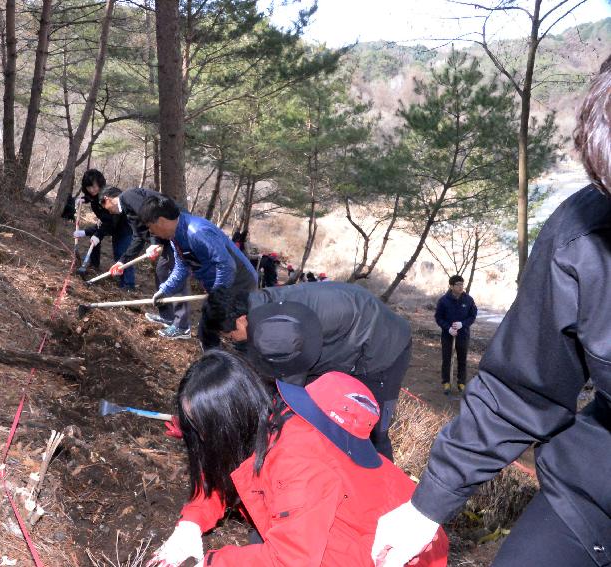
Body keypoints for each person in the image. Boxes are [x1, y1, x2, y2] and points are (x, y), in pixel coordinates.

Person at [371, 55, 611, 567]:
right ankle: (454, 384)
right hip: (599, 477)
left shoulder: (468, 299)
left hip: (463, 332)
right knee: (451, 367)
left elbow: (475, 309)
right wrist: (430, 501)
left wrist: (467, 318)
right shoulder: (582, 239)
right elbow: (522, 382)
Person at [148, 351, 448, 567]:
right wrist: (189, 525)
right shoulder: (263, 417)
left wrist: (208, 563)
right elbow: (223, 467)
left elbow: (292, 560)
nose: (199, 436)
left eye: (203, 427)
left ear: (229, 421)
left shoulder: (296, 460)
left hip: (396, 551)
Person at [203, 281, 412, 460]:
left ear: (240, 320)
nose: (229, 340)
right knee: (326, 415)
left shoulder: (276, 329)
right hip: (347, 339)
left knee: (371, 428)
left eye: (228, 335)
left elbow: (290, 387)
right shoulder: (260, 307)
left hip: (383, 345)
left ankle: (385, 492)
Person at [138, 195, 258, 349]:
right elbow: (182, 266)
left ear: (160, 221)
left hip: (239, 283)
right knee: (209, 330)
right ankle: (215, 360)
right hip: (221, 285)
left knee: (236, 330)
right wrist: (165, 290)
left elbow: (227, 266)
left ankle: (243, 362)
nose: (151, 232)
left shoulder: (197, 232)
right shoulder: (176, 236)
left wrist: (215, 297)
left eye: (150, 226)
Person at [99, 186, 191, 339]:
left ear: (107, 199)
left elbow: (151, 214)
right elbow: (138, 237)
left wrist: (154, 242)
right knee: (162, 271)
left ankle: (182, 326)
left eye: (105, 207)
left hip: (177, 228)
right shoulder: (129, 210)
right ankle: (167, 316)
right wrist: (122, 261)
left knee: (172, 272)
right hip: (167, 234)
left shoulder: (128, 196)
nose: (108, 211)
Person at [73, 169, 134, 289]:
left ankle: (128, 285)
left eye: (94, 186)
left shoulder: (109, 194)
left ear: (99, 183)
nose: (92, 189)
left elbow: (109, 221)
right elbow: (93, 199)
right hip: (111, 225)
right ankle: (94, 264)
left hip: (124, 226)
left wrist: (96, 234)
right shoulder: (94, 196)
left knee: (122, 253)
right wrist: (84, 199)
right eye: (89, 187)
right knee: (97, 239)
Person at [434, 275, 477, 395]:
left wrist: (462, 324)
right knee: (447, 358)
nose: (461, 287)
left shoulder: (468, 300)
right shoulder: (443, 300)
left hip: (463, 334)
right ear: (451, 286)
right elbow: (438, 318)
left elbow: (473, 316)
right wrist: (448, 328)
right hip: (448, 335)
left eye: (462, 284)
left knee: (462, 359)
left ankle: (461, 382)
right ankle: (446, 382)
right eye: (458, 284)